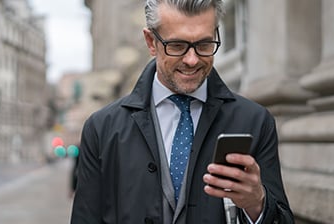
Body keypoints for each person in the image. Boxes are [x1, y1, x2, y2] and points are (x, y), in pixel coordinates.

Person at [70, 0, 294, 223]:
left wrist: (257, 204)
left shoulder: (255, 121)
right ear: (151, 42)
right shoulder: (102, 128)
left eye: (204, 44)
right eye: (177, 45)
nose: (192, 59)